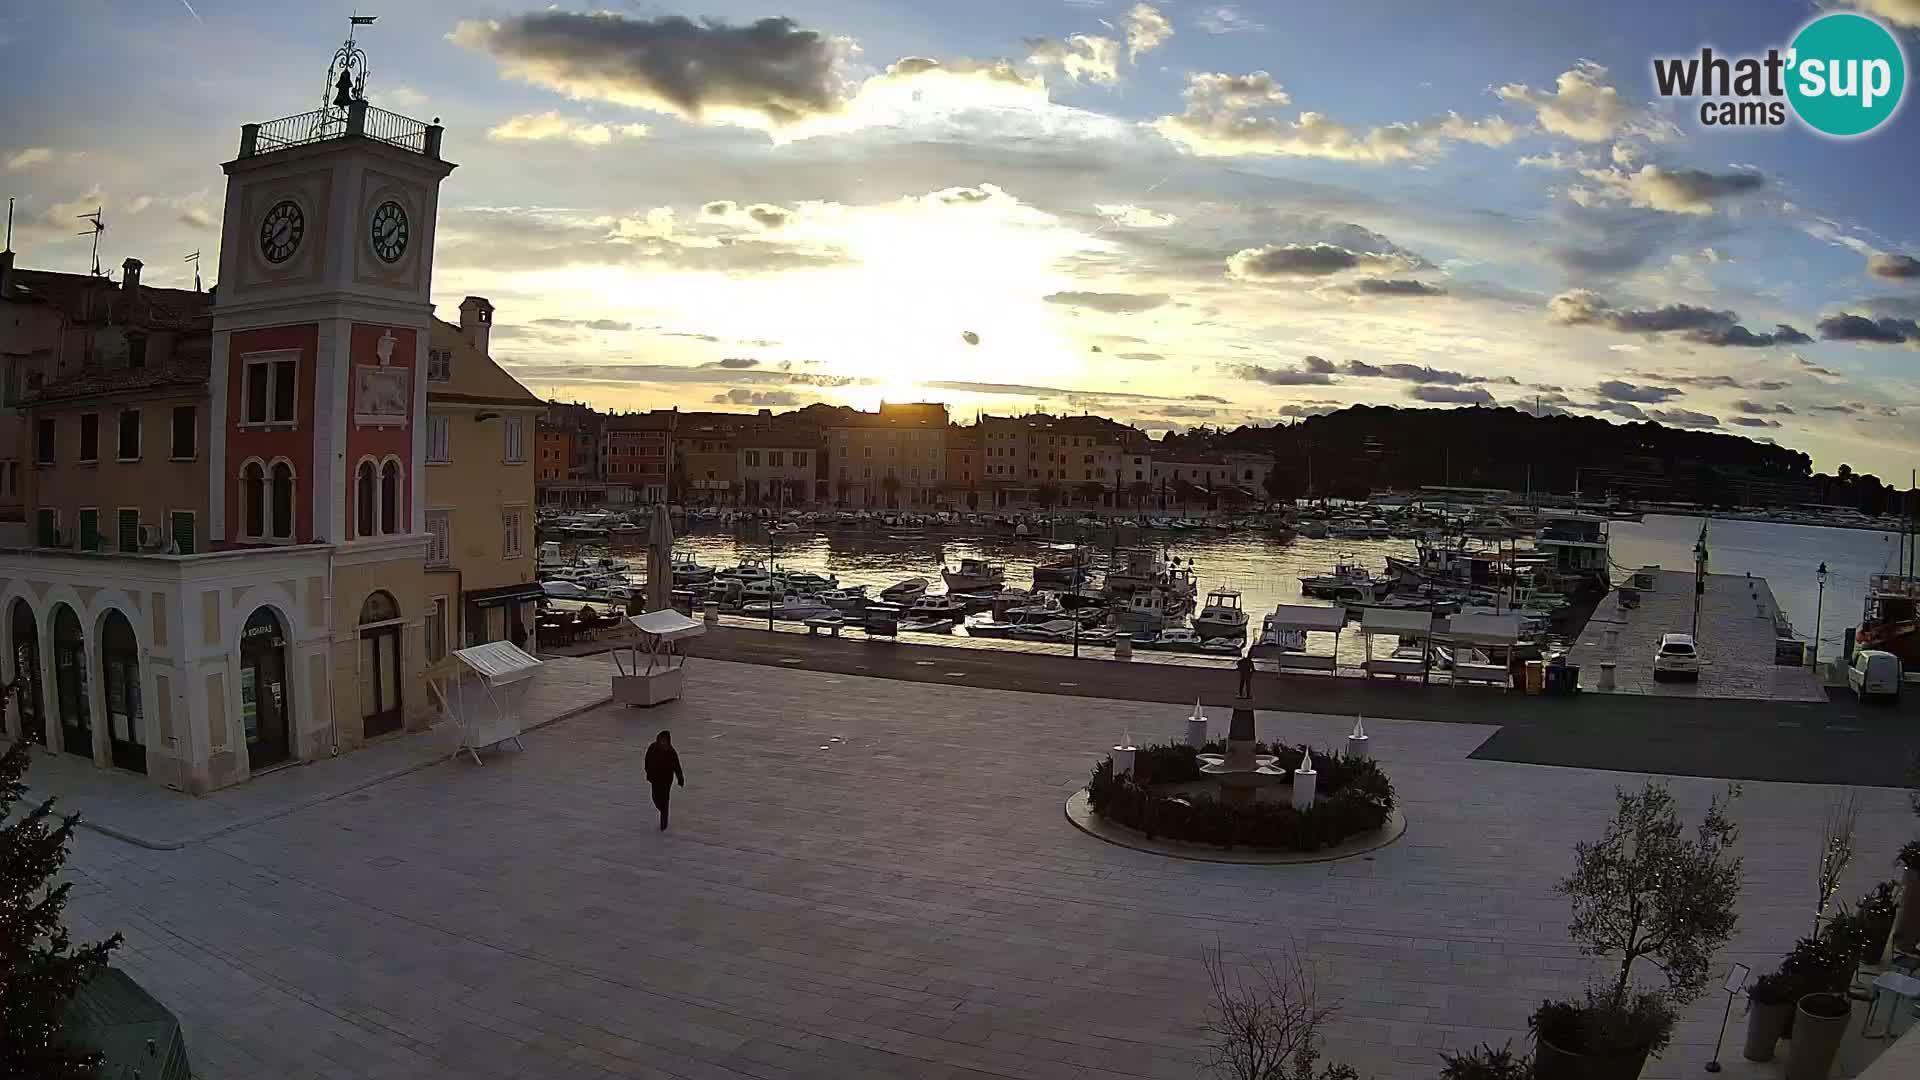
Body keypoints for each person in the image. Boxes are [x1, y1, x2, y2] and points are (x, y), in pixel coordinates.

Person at [643, 730, 685, 831]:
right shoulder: (652, 747)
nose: (663, 742)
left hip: (666, 779)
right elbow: (647, 760)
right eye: (662, 740)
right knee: (655, 798)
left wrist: (680, 778)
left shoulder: (671, 752)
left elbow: (677, 767)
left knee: (665, 800)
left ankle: (663, 824)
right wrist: (648, 771)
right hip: (655, 778)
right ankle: (662, 808)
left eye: (665, 741)